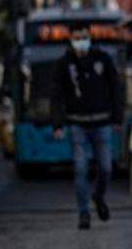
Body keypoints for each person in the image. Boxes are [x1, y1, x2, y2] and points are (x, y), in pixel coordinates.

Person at [52, 28, 123, 230]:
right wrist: (58, 124)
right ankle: (84, 212)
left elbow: (116, 88)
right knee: (80, 170)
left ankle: (98, 196)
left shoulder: (103, 59)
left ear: (90, 39)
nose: (81, 41)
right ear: (71, 40)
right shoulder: (64, 64)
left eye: (84, 38)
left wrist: (117, 117)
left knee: (106, 168)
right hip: (77, 125)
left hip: (102, 123)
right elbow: (56, 95)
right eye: (77, 38)